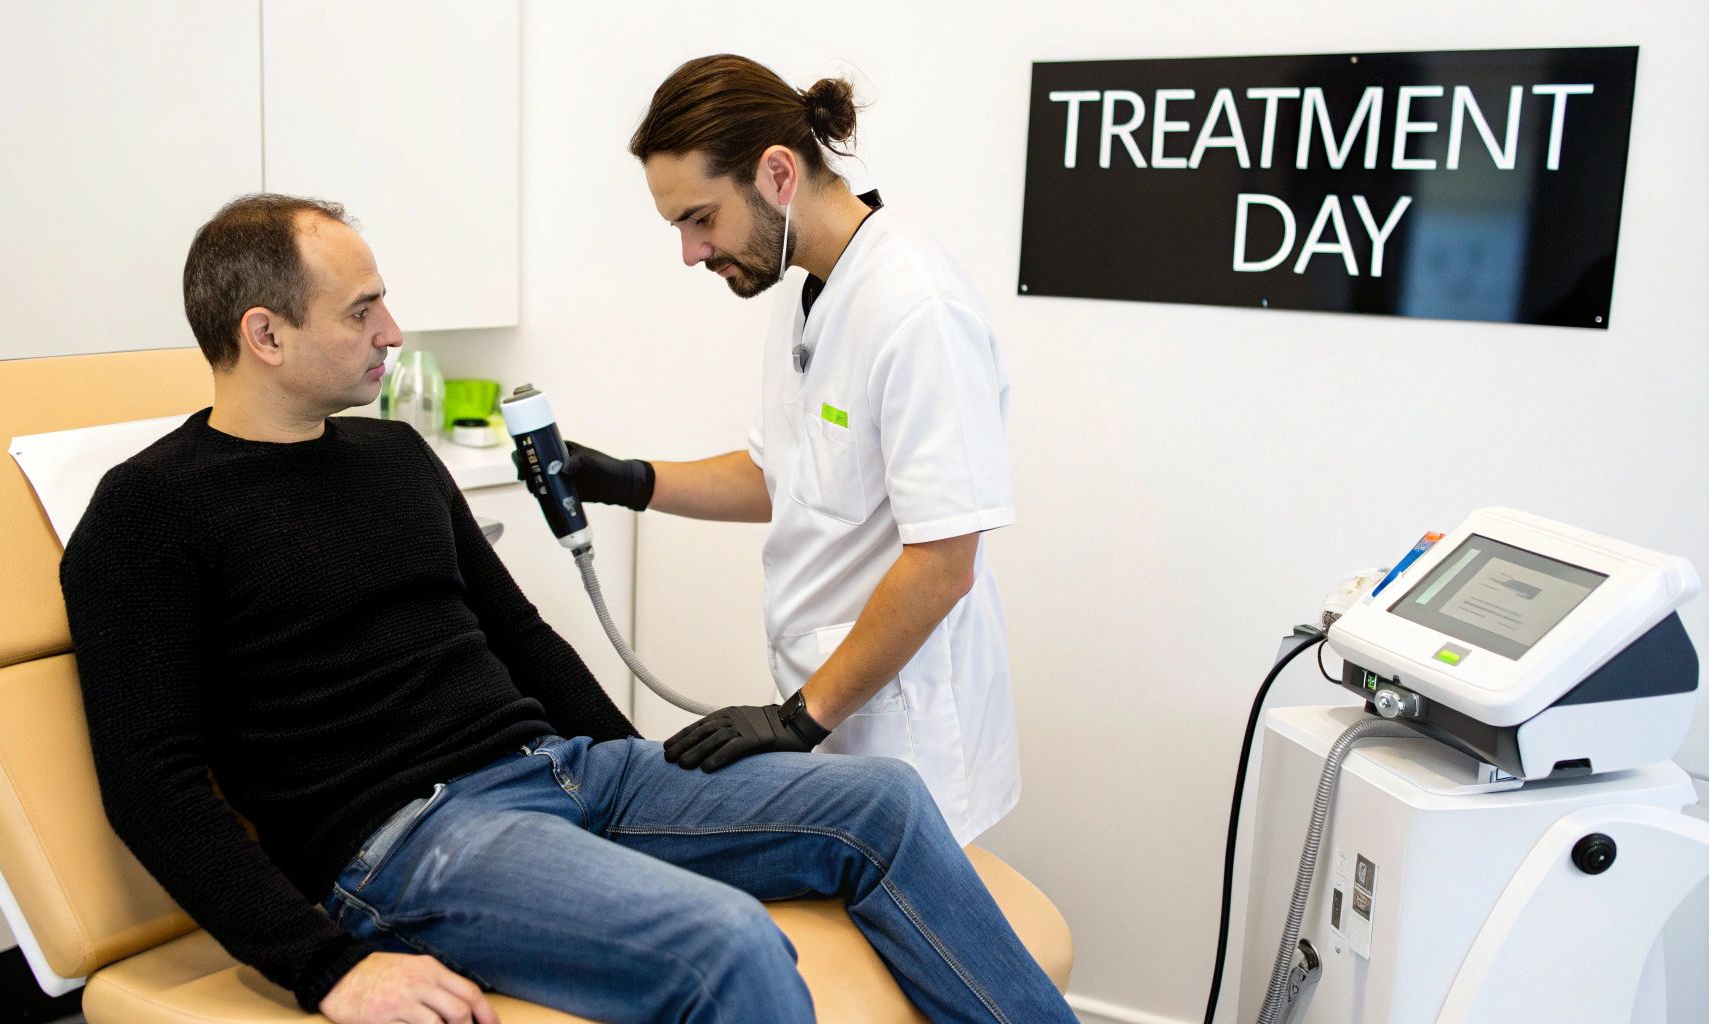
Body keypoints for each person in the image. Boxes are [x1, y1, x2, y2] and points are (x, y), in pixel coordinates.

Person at [60, 193, 1077, 1024]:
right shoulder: (149, 513)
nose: (393, 332)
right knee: (719, 941)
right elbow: (151, 785)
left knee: (883, 803)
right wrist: (322, 965)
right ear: (264, 334)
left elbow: (518, 637)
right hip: (411, 841)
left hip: (567, 772)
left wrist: (637, 784)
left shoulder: (392, 456)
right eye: (361, 311)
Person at [559, 54, 1020, 845]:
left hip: (904, 732)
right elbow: (788, 476)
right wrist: (631, 481)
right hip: (836, 714)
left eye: (699, 219)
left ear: (777, 173)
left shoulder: (917, 309)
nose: (691, 253)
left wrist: (799, 719)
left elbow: (944, 562)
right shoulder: (807, 286)